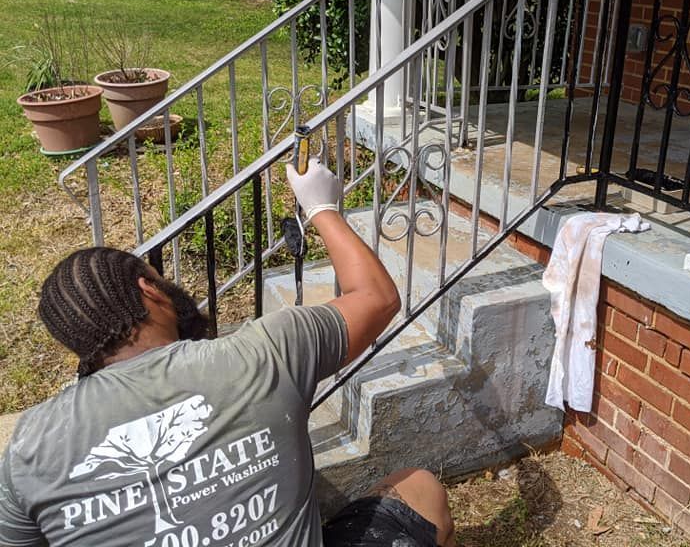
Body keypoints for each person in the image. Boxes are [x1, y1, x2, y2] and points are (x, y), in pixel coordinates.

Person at [0, 159, 455, 547]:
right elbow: (376, 297)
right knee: (419, 488)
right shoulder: (265, 352)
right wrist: (322, 207)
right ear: (149, 291)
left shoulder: (29, 449)